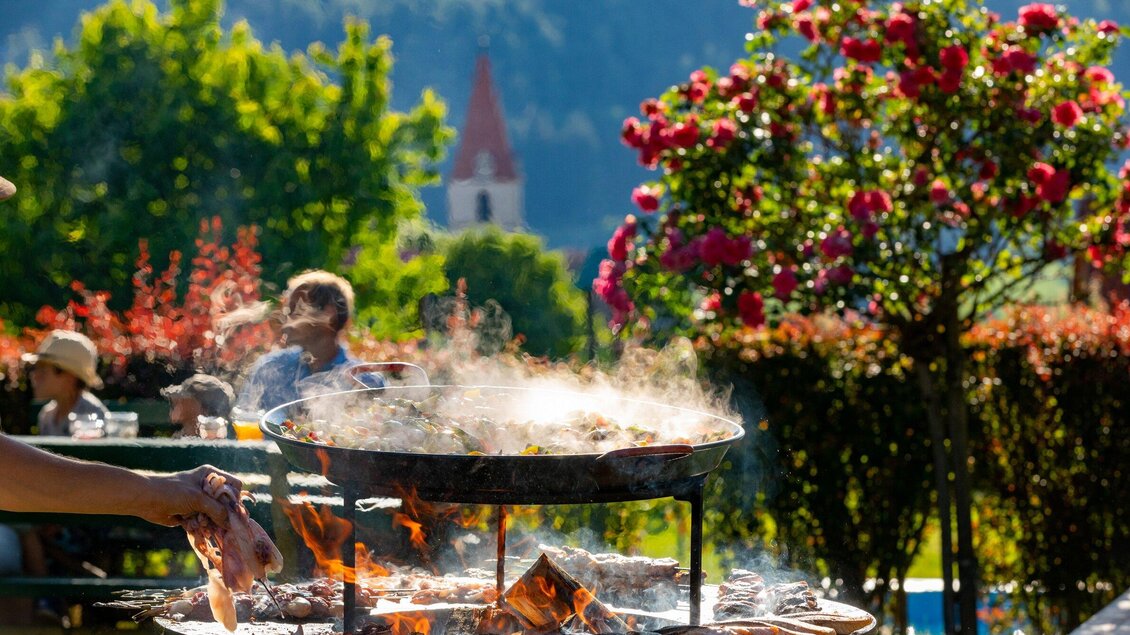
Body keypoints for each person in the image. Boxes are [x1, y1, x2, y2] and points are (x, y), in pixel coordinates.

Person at [238, 269, 379, 412]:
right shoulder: (270, 368)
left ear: (328, 314)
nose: (285, 320)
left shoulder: (364, 381)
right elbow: (242, 421)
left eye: (296, 310)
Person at [23, 330, 109, 436]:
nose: (34, 375)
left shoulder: (94, 416)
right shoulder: (47, 416)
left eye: (43, 370)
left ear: (70, 377)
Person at [161, 374, 236, 438]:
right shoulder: (179, 438)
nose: (177, 401)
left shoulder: (213, 441)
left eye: (184, 396)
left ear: (202, 408)